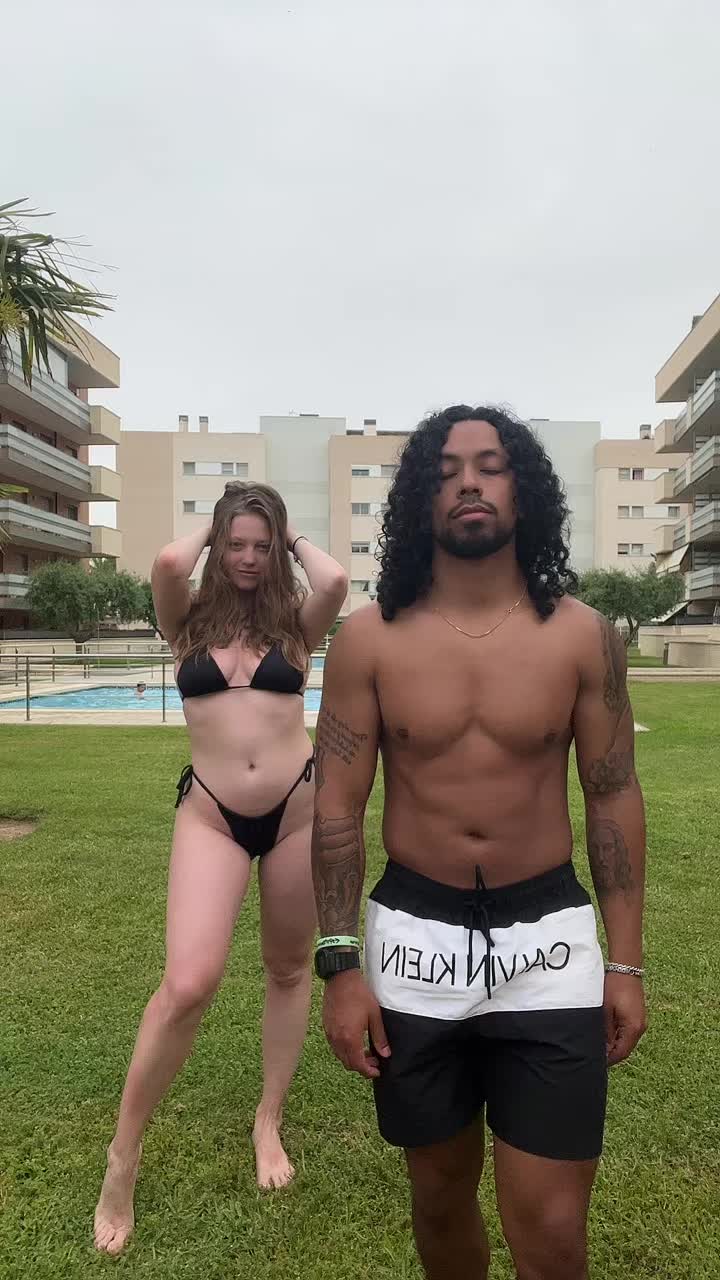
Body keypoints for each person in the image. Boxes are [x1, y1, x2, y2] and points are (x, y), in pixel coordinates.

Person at [312, 406, 647, 1280]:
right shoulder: (367, 639)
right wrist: (340, 967)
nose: (468, 482)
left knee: (553, 1229)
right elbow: (337, 807)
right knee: (439, 1197)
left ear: (522, 490)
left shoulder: (582, 636)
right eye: (447, 470)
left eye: (491, 465)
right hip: (413, 943)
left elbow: (612, 795)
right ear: (419, 501)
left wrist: (625, 963)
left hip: (549, 943)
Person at [94, 481, 347, 1255]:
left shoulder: (296, 624)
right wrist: (215, 527)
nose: (247, 557)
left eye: (260, 546)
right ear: (216, 542)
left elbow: (336, 580)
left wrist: (287, 531)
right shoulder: (185, 620)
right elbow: (169, 564)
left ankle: (267, 1120)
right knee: (187, 984)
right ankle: (123, 1157)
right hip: (211, 815)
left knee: (288, 969)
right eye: (235, 543)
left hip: (298, 809)